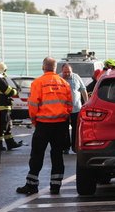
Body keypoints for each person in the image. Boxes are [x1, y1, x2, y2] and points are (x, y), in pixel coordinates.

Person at [17, 57, 73, 196]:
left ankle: (32, 185)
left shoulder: (38, 83)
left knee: (37, 154)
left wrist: (35, 121)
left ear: (43, 67)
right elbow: (70, 105)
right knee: (57, 155)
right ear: (55, 68)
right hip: (60, 124)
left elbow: (33, 106)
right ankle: (55, 186)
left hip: (43, 125)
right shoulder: (64, 83)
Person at [0, 61, 23, 151]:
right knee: (2, 127)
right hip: (2, 108)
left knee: (7, 127)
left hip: (2, 107)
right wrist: (16, 90)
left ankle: (10, 143)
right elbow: (9, 92)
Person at [61, 62, 88, 153]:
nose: (67, 74)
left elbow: (83, 90)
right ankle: (65, 147)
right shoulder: (58, 78)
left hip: (76, 108)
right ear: (62, 71)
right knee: (64, 129)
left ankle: (75, 147)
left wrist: (87, 103)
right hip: (63, 109)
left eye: (69, 72)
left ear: (71, 71)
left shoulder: (76, 77)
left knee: (76, 129)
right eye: (65, 72)